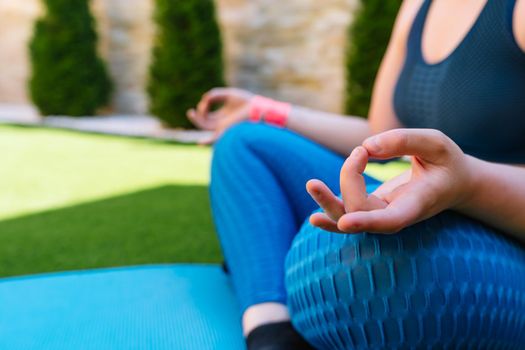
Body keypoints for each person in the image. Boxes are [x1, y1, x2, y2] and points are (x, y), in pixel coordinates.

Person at [188, 0, 525, 348]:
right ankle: (269, 327)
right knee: (244, 143)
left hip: (502, 226)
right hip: (430, 192)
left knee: (355, 263)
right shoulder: (417, 6)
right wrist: (265, 111)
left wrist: (467, 182)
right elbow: (380, 133)